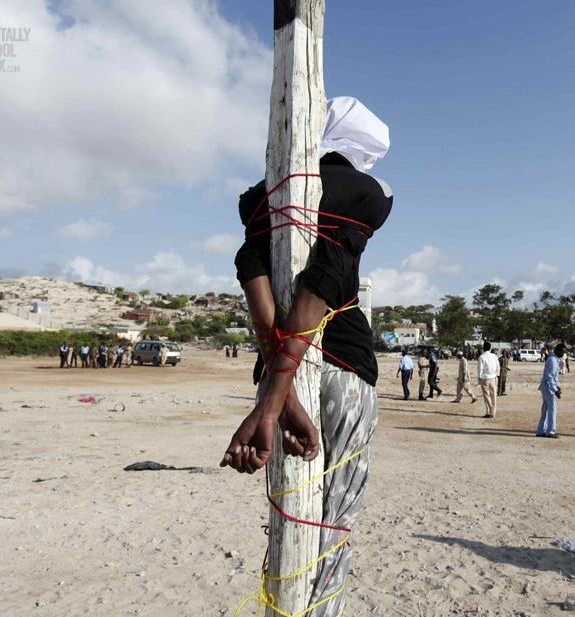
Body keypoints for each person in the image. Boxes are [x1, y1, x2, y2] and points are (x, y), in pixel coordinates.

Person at [221, 95, 391, 616]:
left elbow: (251, 264)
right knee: (330, 524)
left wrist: (276, 395)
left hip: (278, 370)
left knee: (289, 519)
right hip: (341, 373)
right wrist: (276, 401)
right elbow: (329, 275)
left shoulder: (259, 198)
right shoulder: (367, 194)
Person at [536, 343, 566, 438]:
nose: (562, 354)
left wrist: (557, 386)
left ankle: (541, 431)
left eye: (564, 352)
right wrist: (555, 390)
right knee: (552, 409)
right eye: (561, 352)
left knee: (545, 409)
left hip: (546, 387)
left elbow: (552, 377)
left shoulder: (554, 359)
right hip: (548, 388)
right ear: (557, 350)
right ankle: (551, 432)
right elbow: (549, 377)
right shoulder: (553, 360)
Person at [477, 341, 499, 418]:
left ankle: (490, 411)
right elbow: (498, 367)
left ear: (483, 349)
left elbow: (480, 369)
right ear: (490, 348)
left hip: (485, 378)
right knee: (493, 396)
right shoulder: (494, 356)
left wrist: (479, 378)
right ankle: (491, 412)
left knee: (486, 396)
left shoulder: (481, 357)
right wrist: (496, 375)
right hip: (493, 377)